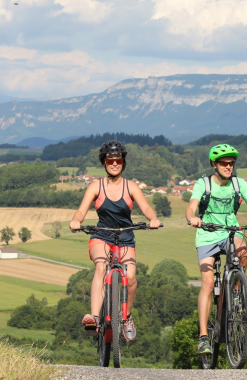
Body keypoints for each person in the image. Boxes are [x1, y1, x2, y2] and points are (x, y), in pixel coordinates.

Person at [185, 144, 247, 356]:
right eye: (224, 163)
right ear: (214, 165)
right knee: (208, 283)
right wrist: (192, 218)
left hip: (229, 232)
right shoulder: (203, 184)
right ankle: (203, 337)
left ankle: (236, 291)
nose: (228, 166)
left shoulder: (239, 184)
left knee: (242, 249)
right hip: (207, 234)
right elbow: (191, 206)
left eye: (231, 163)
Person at [69, 140, 160, 342]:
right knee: (101, 267)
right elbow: (82, 209)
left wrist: (152, 219)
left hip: (126, 237)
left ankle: (126, 318)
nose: (115, 163)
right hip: (101, 236)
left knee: (131, 277)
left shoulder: (131, 187)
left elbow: (145, 207)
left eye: (118, 160)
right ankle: (93, 317)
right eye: (110, 160)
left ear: (123, 162)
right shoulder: (96, 186)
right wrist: (76, 220)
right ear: (104, 162)